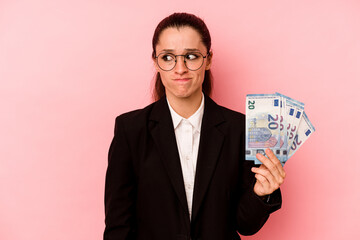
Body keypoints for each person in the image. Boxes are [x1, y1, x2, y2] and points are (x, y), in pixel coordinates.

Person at [104, 12, 286, 240]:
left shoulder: (240, 130)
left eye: (191, 56)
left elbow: (245, 225)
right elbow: (118, 227)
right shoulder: (130, 130)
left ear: (208, 60)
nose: (180, 68)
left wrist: (261, 193)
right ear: (156, 62)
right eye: (168, 57)